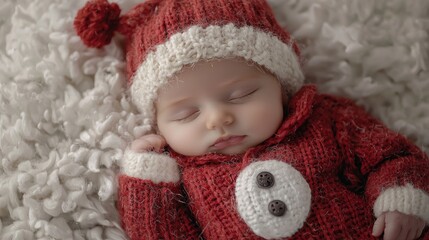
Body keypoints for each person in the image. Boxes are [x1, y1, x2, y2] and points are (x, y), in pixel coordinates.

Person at [74, 0, 429, 239]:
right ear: (159, 125)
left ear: (281, 86)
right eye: (186, 113)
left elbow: (390, 155)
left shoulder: (324, 119)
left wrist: (402, 198)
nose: (218, 118)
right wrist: (148, 181)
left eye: (240, 94)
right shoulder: (182, 176)